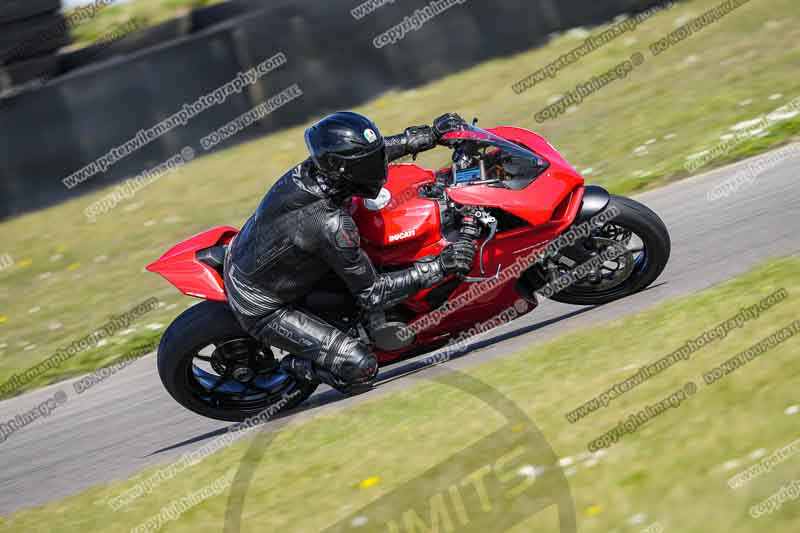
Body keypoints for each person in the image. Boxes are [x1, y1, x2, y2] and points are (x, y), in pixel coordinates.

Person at [223, 111, 477, 394]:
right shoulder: (330, 224)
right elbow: (373, 294)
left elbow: (361, 156)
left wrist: (424, 137)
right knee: (361, 369)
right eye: (369, 165)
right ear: (346, 171)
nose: (378, 167)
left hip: (262, 258)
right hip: (263, 305)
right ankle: (291, 370)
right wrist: (440, 266)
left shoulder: (315, 170)